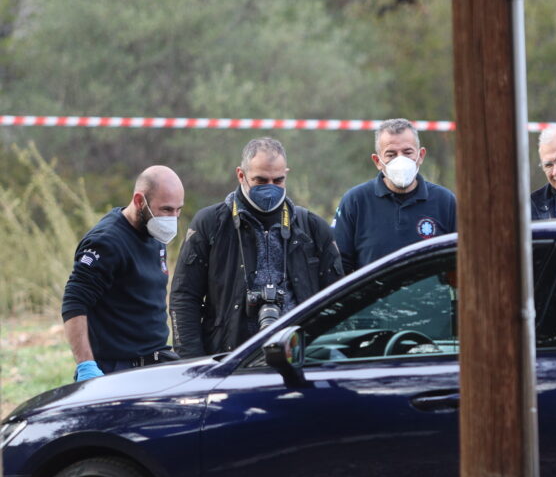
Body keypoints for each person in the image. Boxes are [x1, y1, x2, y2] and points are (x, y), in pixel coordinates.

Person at [170, 137, 342, 358]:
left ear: (286, 174)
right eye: (260, 180)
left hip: (299, 357)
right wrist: (192, 363)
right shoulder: (211, 224)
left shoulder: (313, 228)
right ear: (241, 175)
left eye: (278, 180)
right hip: (229, 358)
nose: (270, 188)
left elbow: (335, 298)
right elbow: (184, 296)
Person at [61, 166, 185, 381]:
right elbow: (74, 303)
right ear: (139, 201)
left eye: (178, 210)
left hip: (154, 363)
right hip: (116, 370)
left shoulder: (154, 232)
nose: (172, 218)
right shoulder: (107, 241)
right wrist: (87, 366)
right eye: (166, 209)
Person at [331, 118, 456, 274]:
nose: (400, 159)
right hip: (376, 298)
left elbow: (460, 260)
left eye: (407, 152)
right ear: (377, 161)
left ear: (421, 155)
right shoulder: (355, 202)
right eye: (391, 154)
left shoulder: (445, 201)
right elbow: (339, 265)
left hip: (431, 298)